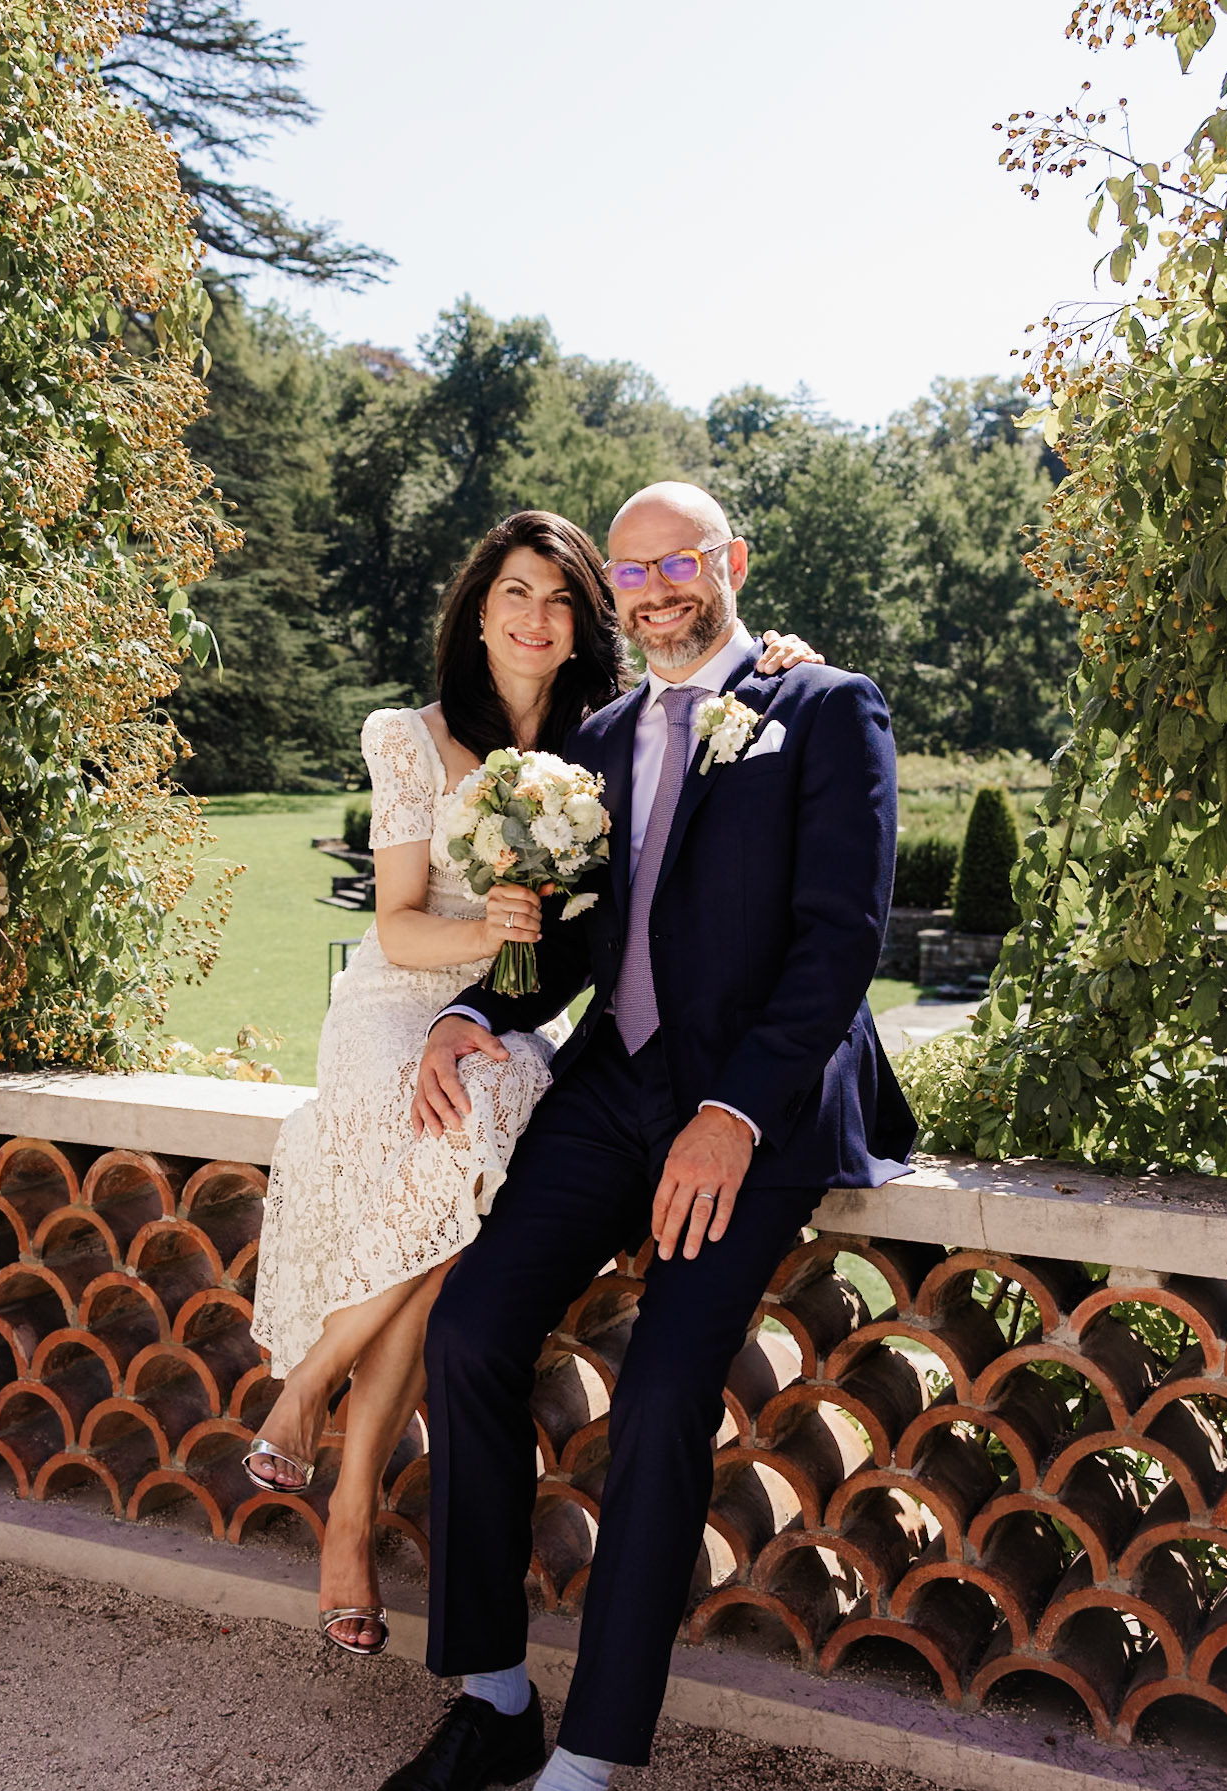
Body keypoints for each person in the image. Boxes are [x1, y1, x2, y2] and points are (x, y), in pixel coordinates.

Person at [356, 482, 916, 1791]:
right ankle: (493, 1699)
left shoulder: (825, 708)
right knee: (473, 1332)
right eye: (635, 568)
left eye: (682, 561)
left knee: (664, 1395)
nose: (658, 586)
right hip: (615, 1086)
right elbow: (569, 944)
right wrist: (473, 1014)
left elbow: (840, 940)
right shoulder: (597, 741)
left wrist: (733, 1111)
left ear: (730, 564)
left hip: (757, 1100)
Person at [246, 506, 820, 1654]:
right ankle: (333, 1467)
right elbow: (398, 923)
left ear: (583, 622)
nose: (535, 615)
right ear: (478, 610)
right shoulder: (408, 737)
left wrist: (775, 659)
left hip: (512, 1009)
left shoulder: (604, 735)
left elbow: (704, 683)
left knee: (478, 1159)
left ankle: (317, 1400)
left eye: (560, 598)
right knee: (462, 1156)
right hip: (399, 1000)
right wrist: (488, 944)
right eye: (514, 591)